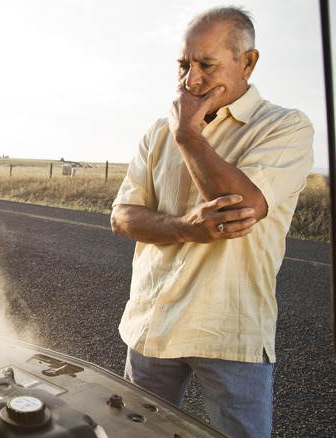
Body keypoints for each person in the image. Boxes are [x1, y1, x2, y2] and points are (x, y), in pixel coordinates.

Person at [110, 6, 313, 438]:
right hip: (152, 325)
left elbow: (241, 206)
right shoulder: (157, 132)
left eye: (207, 64)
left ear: (248, 62)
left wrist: (188, 134)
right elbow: (122, 216)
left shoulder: (285, 127)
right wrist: (184, 227)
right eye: (184, 64)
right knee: (133, 434)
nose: (191, 80)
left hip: (228, 332)